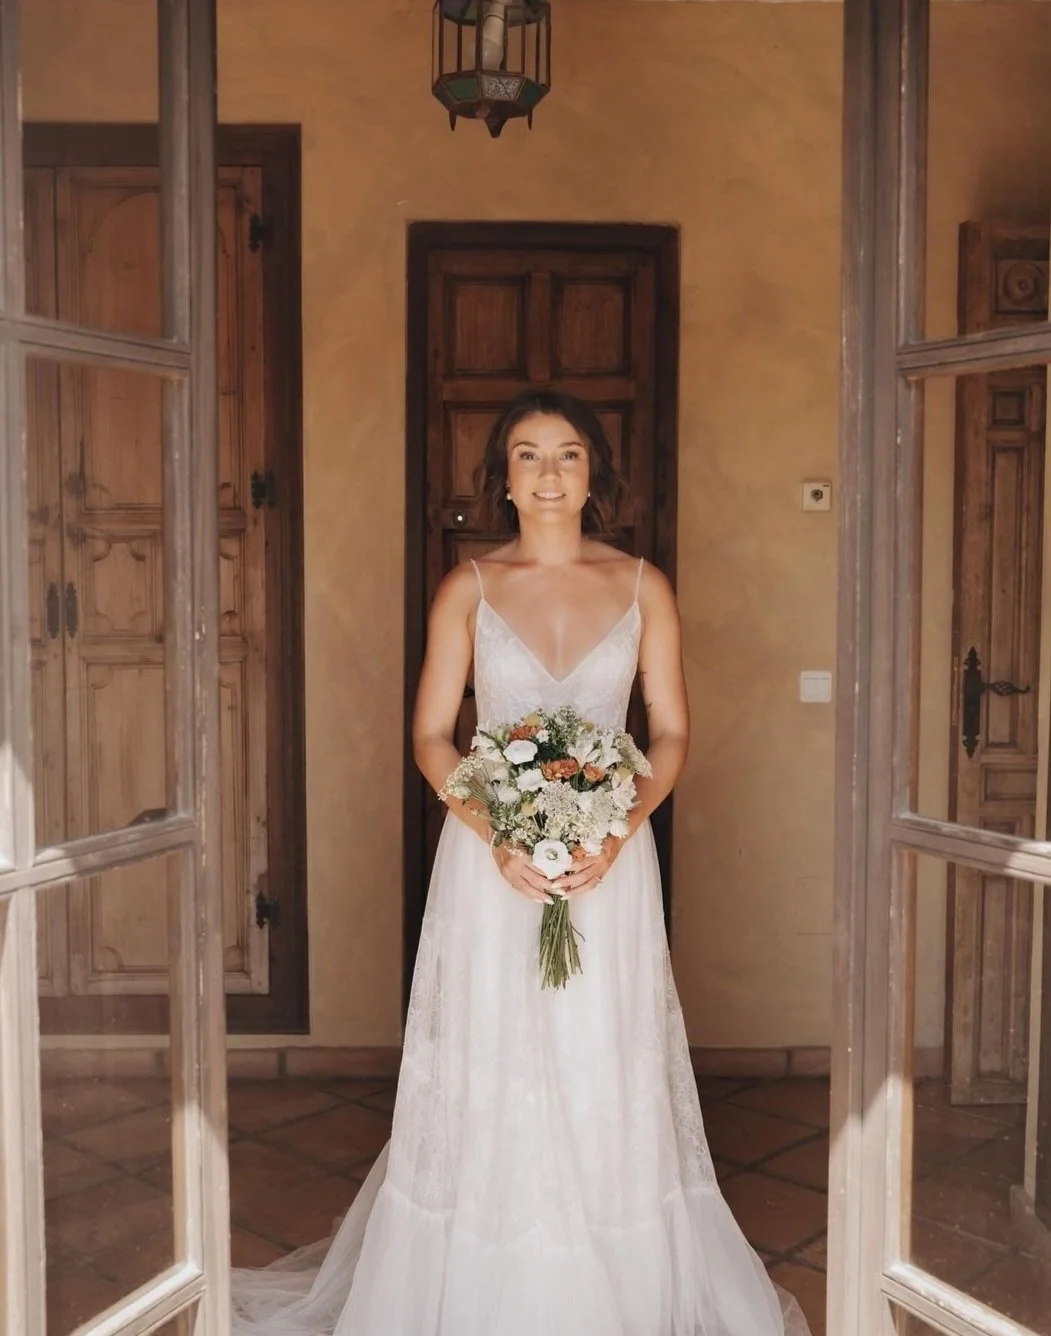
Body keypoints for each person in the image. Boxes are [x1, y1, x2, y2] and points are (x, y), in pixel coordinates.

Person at [230, 390, 811, 1335]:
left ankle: (612, 1287)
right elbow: (428, 735)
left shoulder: (640, 584)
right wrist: (495, 832)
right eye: (528, 455)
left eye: (569, 454)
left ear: (594, 474)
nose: (548, 473)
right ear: (501, 476)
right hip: (488, 867)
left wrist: (618, 829)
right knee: (490, 1063)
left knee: (603, 1059)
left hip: (608, 867)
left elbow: (667, 734)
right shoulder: (467, 586)